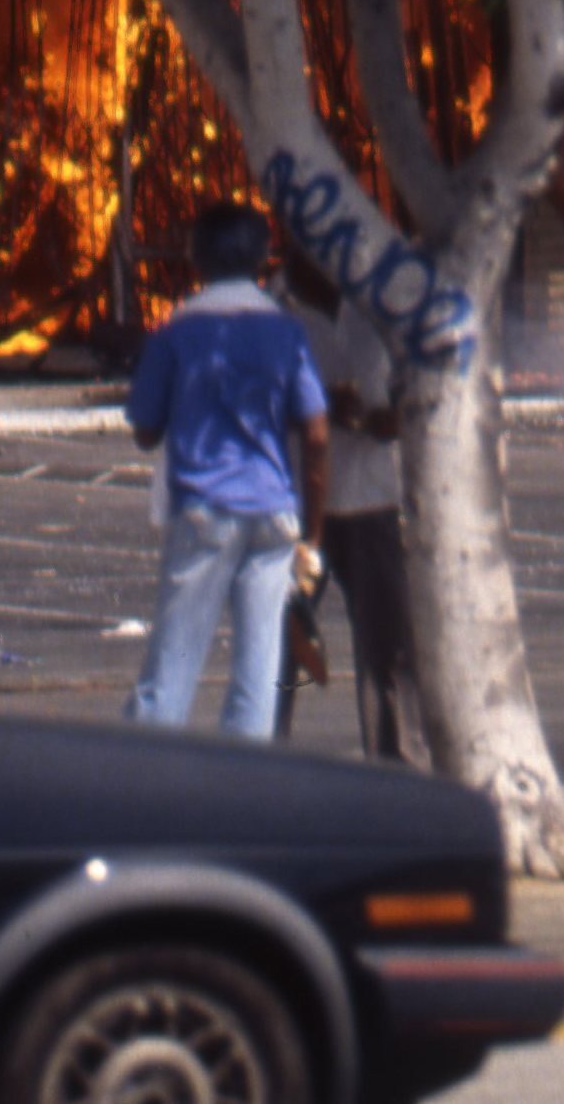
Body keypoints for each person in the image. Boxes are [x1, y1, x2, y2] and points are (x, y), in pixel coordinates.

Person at [125, 203, 330, 737]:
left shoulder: (175, 333)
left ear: (196, 260)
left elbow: (145, 431)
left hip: (204, 510)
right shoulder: (286, 332)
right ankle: (244, 785)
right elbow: (315, 432)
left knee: (173, 661)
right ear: (264, 259)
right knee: (259, 669)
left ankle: (143, 778)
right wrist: (313, 531)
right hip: (273, 511)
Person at [284, 246, 426, 763]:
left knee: (388, 649)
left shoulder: (375, 314)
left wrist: (393, 417)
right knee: (285, 645)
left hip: (372, 501)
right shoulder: (277, 312)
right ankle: (266, 762)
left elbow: (415, 391)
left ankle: (397, 765)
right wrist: (318, 402)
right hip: (298, 510)